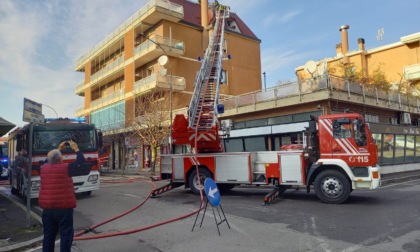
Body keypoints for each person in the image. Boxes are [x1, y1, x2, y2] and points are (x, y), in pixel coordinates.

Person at [39, 140, 85, 252]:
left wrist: (58, 149)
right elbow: (80, 162)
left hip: (48, 209)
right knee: (66, 234)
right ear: (60, 159)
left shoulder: (43, 168)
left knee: (49, 235)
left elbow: (48, 160)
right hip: (64, 208)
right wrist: (76, 149)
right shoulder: (66, 168)